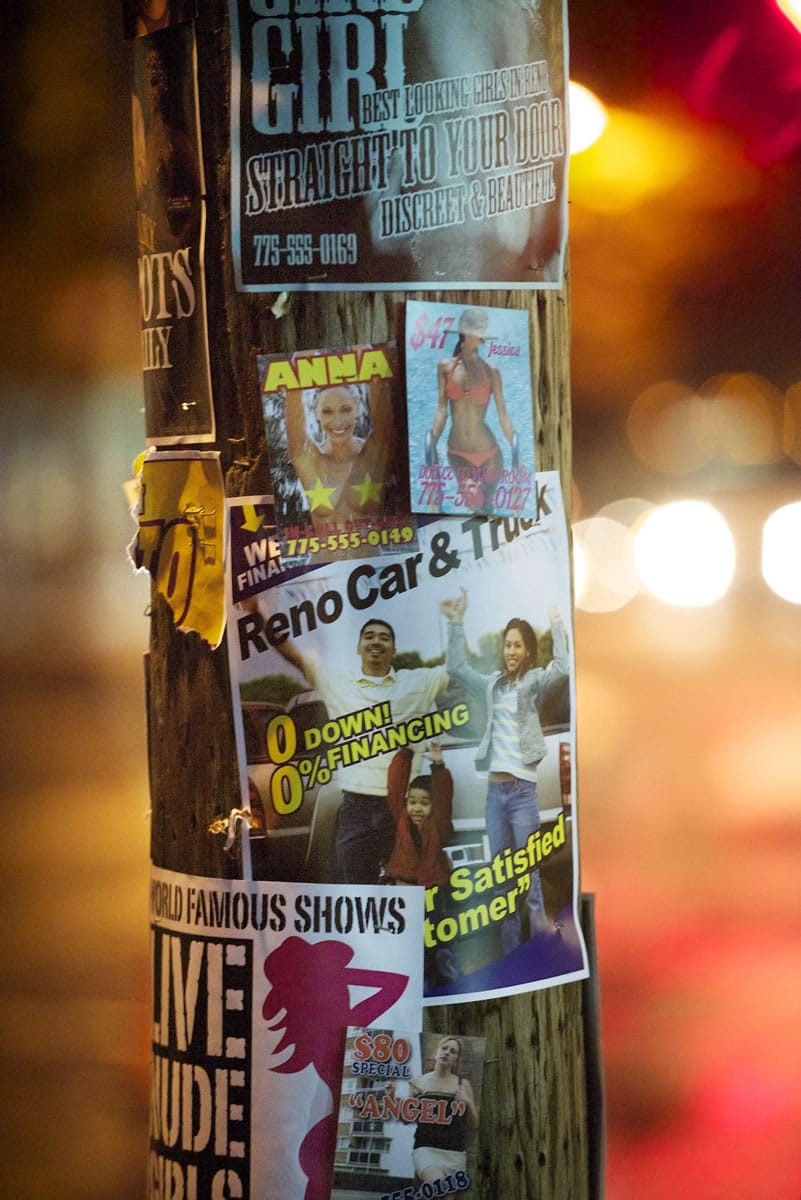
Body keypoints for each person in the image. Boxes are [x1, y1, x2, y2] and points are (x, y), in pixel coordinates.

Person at [273, 618, 449, 884]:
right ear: (358, 647)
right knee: (358, 892)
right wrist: (260, 617)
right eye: (369, 636)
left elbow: (457, 669)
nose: (376, 641)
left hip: (402, 807)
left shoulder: (418, 683)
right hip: (356, 808)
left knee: (409, 891)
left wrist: (456, 622)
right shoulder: (339, 683)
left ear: (394, 650)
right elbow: (294, 656)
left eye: (384, 637)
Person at [441, 588, 568, 950]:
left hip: (522, 794)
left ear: (528, 651)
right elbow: (456, 668)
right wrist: (456, 621)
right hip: (494, 796)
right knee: (502, 881)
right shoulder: (492, 684)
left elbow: (562, 666)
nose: (511, 651)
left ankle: (542, 948)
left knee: (528, 876)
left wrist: (557, 622)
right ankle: (512, 952)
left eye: (517, 646)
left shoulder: (535, 681)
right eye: (507, 645)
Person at [429, 308, 515, 512]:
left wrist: (515, 448)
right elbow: (442, 411)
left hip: (489, 453)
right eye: (480, 328)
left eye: (485, 328)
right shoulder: (445, 367)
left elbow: (503, 415)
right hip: (457, 452)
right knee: (472, 503)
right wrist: (431, 445)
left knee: (486, 509)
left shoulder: (491, 371)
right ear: (466, 332)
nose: (484, 333)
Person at [285, 379, 394, 530]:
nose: (338, 421)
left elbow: (377, 378)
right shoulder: (309, 460)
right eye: (327, 411)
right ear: (316, 413)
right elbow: (292, 382)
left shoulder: (374, 453)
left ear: (357, 408)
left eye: (346, 409)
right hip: (321, 554)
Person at [409, 1036, 479, 1184]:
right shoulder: (417, 1082)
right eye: (444, 1048)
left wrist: (467, 1101)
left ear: (456, 1060)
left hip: (455, 1153)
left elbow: (474, 1124)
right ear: (437, 1052)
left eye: (453, 1051)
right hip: (426, 1149)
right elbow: (406, 1118)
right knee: (439, 1186)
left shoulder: (462, 1084)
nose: (447, 1052)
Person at [385, 744, 453, 888]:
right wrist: (405, 753)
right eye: (412, 802)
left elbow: (444, 797)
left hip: (432, 884)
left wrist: (438, 765)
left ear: (434, 805)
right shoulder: (400, 817)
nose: (417, 808)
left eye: (424, 803)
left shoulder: (438, 823)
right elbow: (396, 785)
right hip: (403, 882)